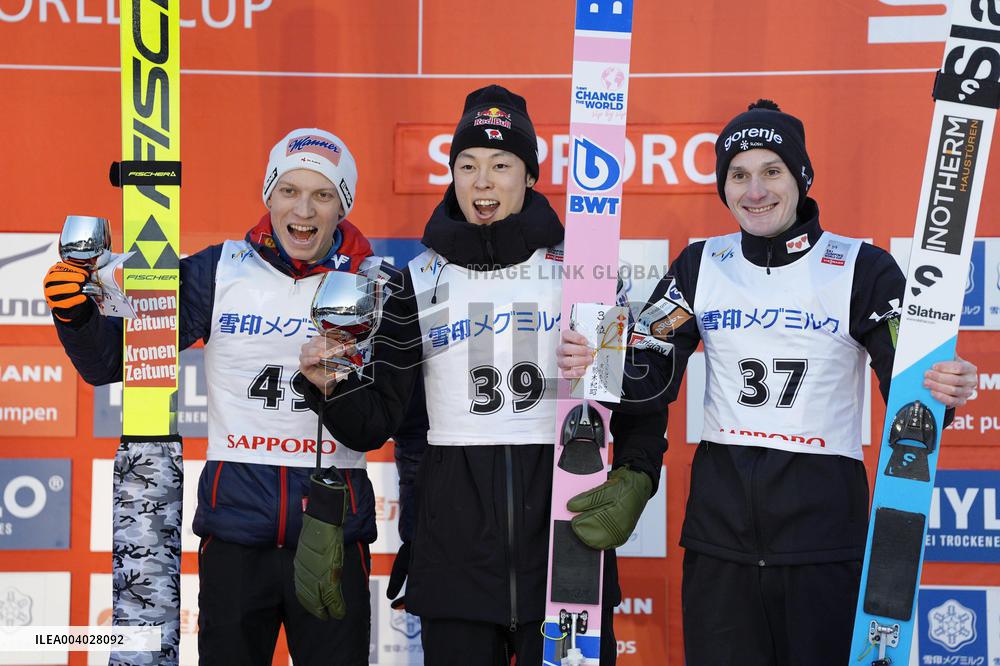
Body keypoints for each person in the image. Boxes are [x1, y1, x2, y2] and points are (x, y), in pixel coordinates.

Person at [556, 100, 978, 666]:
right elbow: (649, 376)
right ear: (723, 187)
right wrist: (598, 356)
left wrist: (942, 386)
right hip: (720, 540)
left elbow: (909, 392)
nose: (755, 191)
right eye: (738, 175)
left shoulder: (864, 267)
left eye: (771, 171)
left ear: (801, 178)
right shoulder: (700, 264)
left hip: (822, 540)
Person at [298, 84, 662, 665]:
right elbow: (374, 422)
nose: (482, 181)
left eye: (500, 164)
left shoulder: (585, 270)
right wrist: (330, 384)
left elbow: (638, 398)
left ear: (530, 176)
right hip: (454, 552)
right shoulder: (415, 280)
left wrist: (637, 475)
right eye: (467, 165)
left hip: (565, 535)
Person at [42, 128, 409, 665]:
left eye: (323, 195)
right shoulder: (218, 270)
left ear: (343, 205)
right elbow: (110, 362)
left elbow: (388, 420)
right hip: (236, 530)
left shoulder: (380, 284)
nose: (303, 210)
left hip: (332, 530)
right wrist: (75, 314)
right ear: (269, 195)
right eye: (288, 190)